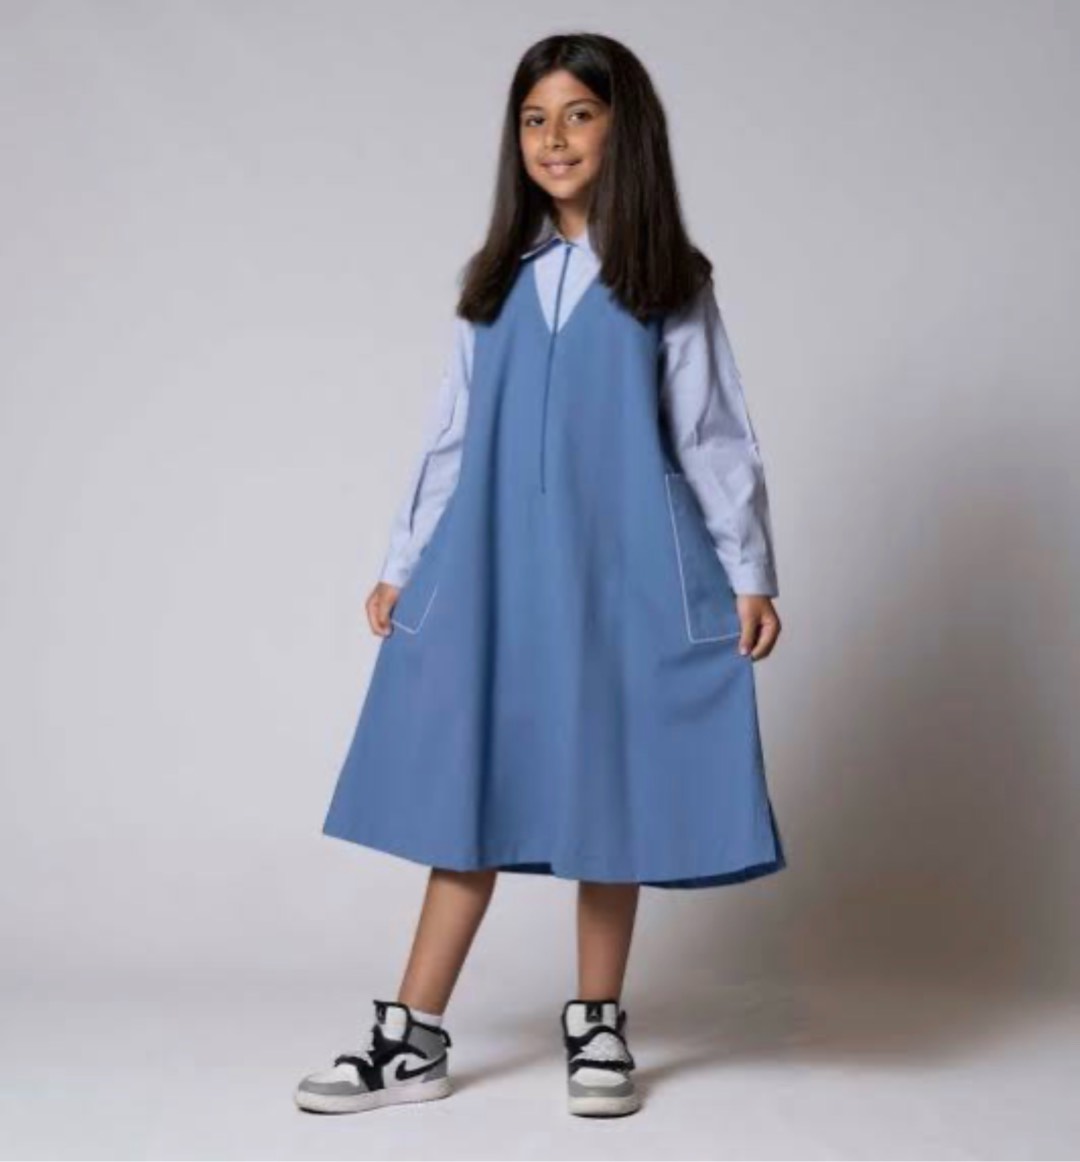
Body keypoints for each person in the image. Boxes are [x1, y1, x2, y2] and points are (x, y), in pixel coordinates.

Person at [295, 31, 786, 1120]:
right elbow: (452, 432)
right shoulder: (496, 284)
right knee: (471, 780)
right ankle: (414, 1034)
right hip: (496, 570)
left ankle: (598, 1020)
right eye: (533, 119)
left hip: (622, 573)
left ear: (623, 130)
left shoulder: (668, 282)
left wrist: (749, 569)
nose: (553, 138)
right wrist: (402, 561)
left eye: (578, 114)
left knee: (610, 780)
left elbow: (713, 433)